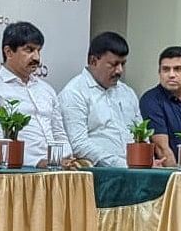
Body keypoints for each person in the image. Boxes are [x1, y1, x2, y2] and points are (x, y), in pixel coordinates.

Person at [0, 21, 77, 168]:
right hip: (21, 171)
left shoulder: (46, 90)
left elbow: (59, 133)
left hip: (56, 168)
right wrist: (38, 163)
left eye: (38, 51)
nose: (36, 58)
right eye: (29, 50)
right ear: (8, 52)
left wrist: (66, 157)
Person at [59, 31, 150, 167]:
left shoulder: (127, 92)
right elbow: (79, 145)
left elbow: (142, 135)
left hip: (135, 168)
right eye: (113, 64)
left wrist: (146, 159)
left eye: (123, 64)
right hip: (102, 173)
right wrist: (122, 164)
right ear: (93, 61)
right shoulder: (74, 93)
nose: (119, 70)